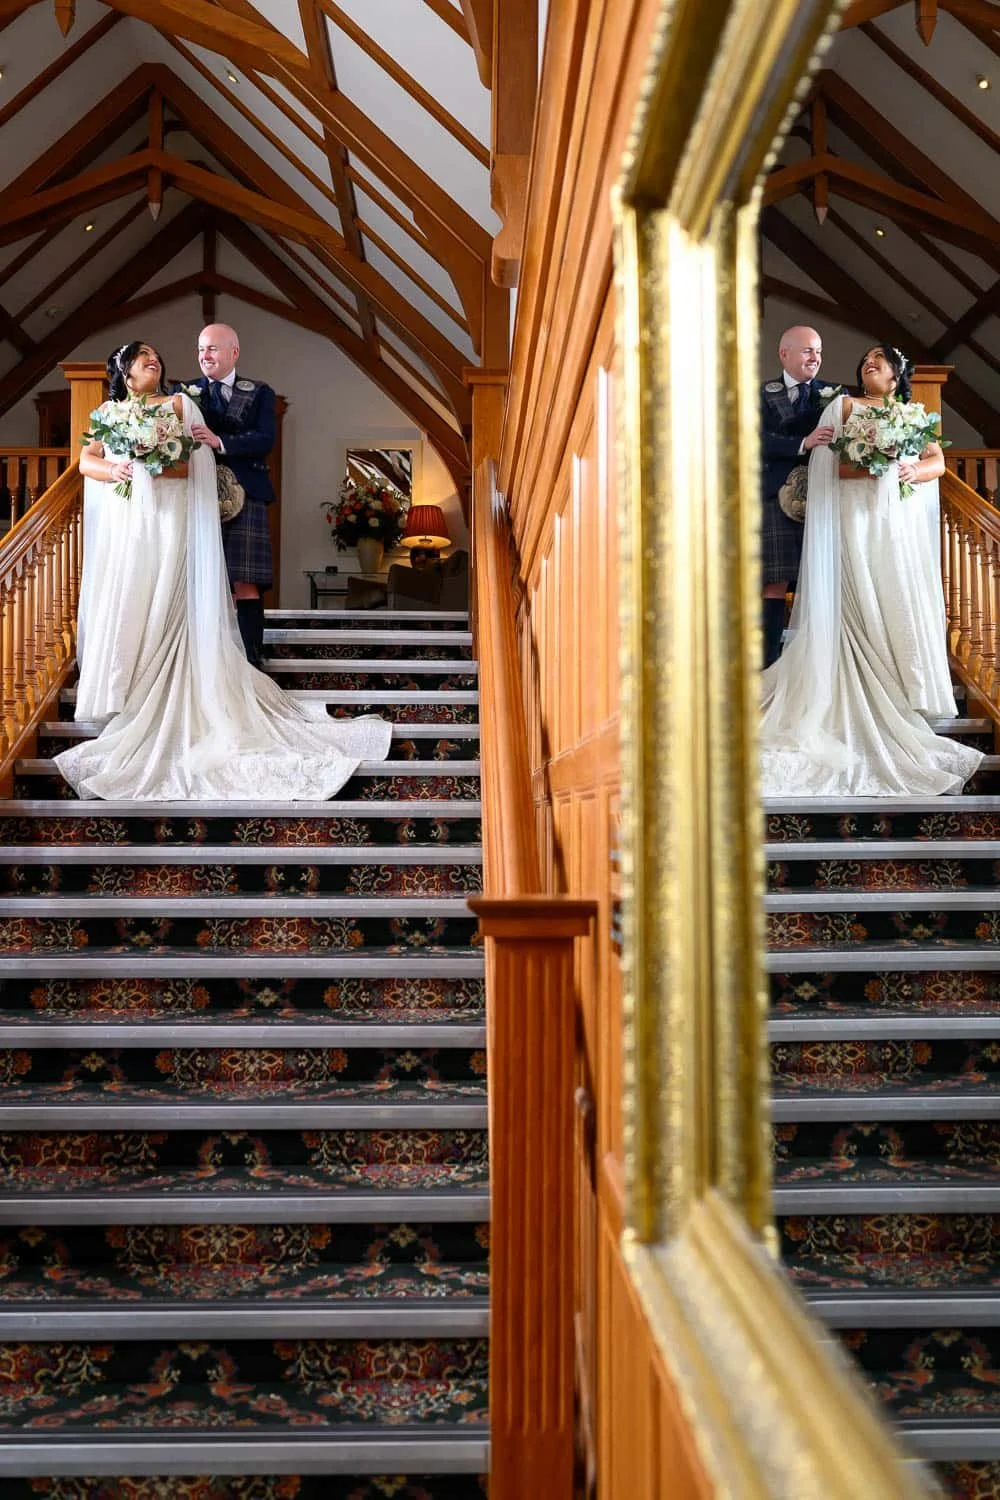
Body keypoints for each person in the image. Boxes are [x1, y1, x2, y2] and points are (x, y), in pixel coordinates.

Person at [56, 340, 391, 800]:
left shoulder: (179, 403)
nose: (153, 358)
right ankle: (128, 692)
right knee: (134, 598)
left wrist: (155, 459)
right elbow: (86, 460)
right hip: (135, 529)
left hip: (174, 521)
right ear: (124, 371)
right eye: (141, 355)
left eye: (156, 354)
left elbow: (199, 460)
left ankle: (176, 687)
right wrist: (115, 471)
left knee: (171, 604)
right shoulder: (111, 412)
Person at [759, 343, 983, 797]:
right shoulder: (843, 404)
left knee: (893, 600)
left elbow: (936, 462)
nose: (868, 364)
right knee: (859, 603)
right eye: (864, 360)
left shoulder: (912, 414)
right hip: (854, 524)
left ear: (896, 374)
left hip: (890, 529)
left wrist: (907, 471)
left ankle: (902, 691)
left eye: (877, 360)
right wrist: (875, 466)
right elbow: (828, 466)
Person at [178, 323, 276, 666]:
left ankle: (252, 658)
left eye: (213, 349)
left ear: (234, 352)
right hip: (199, 492)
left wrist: (221, 441)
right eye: (201, 349)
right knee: (199, 579)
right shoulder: (184, 392)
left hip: (246, 492)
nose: (205, 355)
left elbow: (266, 440)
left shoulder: (261, 392)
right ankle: (203, 660)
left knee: (245, 580)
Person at [761, 326, 836, 667]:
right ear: (784, 354)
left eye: (818, 351)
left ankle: (816, 666)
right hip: (775, 496)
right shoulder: (760, 395)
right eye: (807, 351)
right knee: (774, 583)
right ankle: (768, 665)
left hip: (824, 495)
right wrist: (803, 443)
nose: (815, 357)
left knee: (820, 580)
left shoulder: (834, 395)